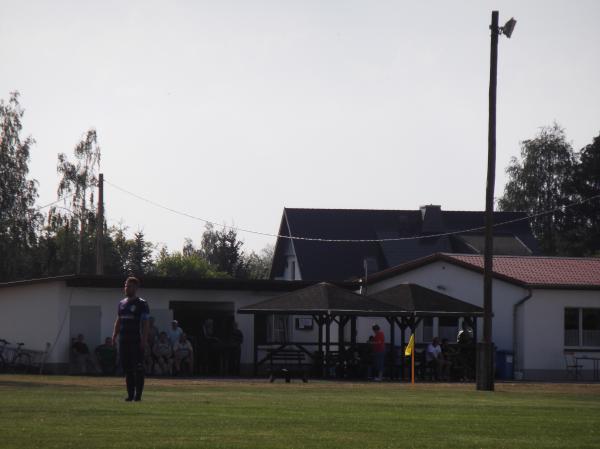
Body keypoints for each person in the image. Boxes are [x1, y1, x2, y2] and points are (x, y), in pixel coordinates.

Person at [112, 276, 150, 402]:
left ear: (135, 288)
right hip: (124, 340)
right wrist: (114, 334)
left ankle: (138, 395)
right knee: (127, 369)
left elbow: (145, 323)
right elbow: (118, 319)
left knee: (138, 368)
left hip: (136, 340)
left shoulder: (142, 303)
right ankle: (130, 394)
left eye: (129, 286)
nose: (126, 288)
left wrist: (144, 340)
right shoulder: (121, 303)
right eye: (125, 286)